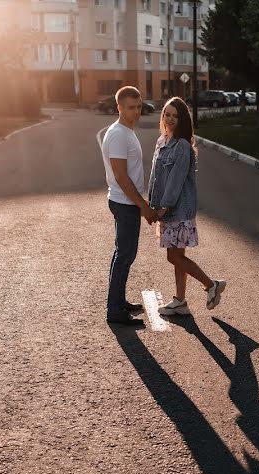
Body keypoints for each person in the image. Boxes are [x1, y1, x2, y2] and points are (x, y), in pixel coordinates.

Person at [147, 97, 227, 316]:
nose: (170, 119)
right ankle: (180, 301)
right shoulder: (162, 141)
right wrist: (151, 204)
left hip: (177, 210)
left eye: (175, 115)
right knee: (176, 257)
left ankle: (211, 285)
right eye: (167, 114)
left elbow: (176, 180)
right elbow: (155, 177)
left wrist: (163, 208)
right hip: (166, 209)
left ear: (182, 119)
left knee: (174, 257)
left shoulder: (182, 146)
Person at [101, 86, 157, 326]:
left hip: (124, 202)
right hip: (125, 203)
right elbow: (121, 176)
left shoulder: (125, 131)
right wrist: (143, 206)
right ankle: (115, 310)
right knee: (124, 256)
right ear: (119, 108)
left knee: (122, 255)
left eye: (138, 107)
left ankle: (118, 302)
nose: (136, 112)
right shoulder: (118, 135)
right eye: (130, 107)